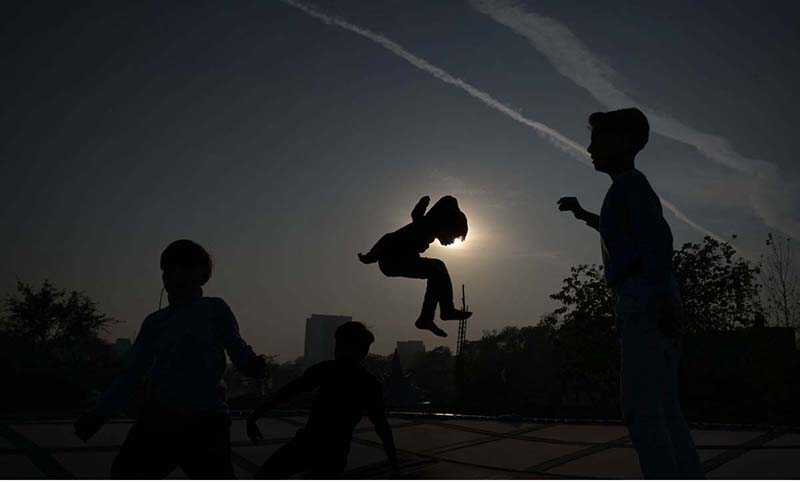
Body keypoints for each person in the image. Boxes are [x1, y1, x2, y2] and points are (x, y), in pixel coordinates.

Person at [557, 108, 703, 479]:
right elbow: (621, 233)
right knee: (665, 409)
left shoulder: (631, 187)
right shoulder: (627, 189)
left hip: (643, 298)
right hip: (648, 295)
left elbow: (657, 244)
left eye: (598, 139)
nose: (589, 148)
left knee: (642, 411)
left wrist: (661, 302)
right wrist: (584, 215)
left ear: (623, 142)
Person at [74, 239, 268, 479]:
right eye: (172, 269)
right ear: (165, 278)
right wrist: (99, 414)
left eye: (187, 268)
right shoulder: (155, 322)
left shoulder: (214, 309)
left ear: (202, 276)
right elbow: (131, 373)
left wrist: (253, 365)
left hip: (205, 422)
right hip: (162, 420)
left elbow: (238, 350)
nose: (178, 275)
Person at [247, 322, 398, 478]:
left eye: (340, 345)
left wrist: (256, 415)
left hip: (308, 445)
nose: (337, 350)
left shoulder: (327, 370)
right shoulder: (368, 383)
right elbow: (382, 427)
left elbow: (288, 392)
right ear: (364, 351)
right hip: (334, 453)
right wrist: (395, 465)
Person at [358, 195, 471, 337]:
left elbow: (417, 215)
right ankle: (441, 311)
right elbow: (389, 237)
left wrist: (422, 207)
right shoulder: (425, 227)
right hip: (392, 261)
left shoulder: (427, 228)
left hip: (401, 260)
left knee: (437, 271)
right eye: (453, 237)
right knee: (437, 268)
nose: (451, 242)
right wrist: (371, 256)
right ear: (446, 226)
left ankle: (427, 318)